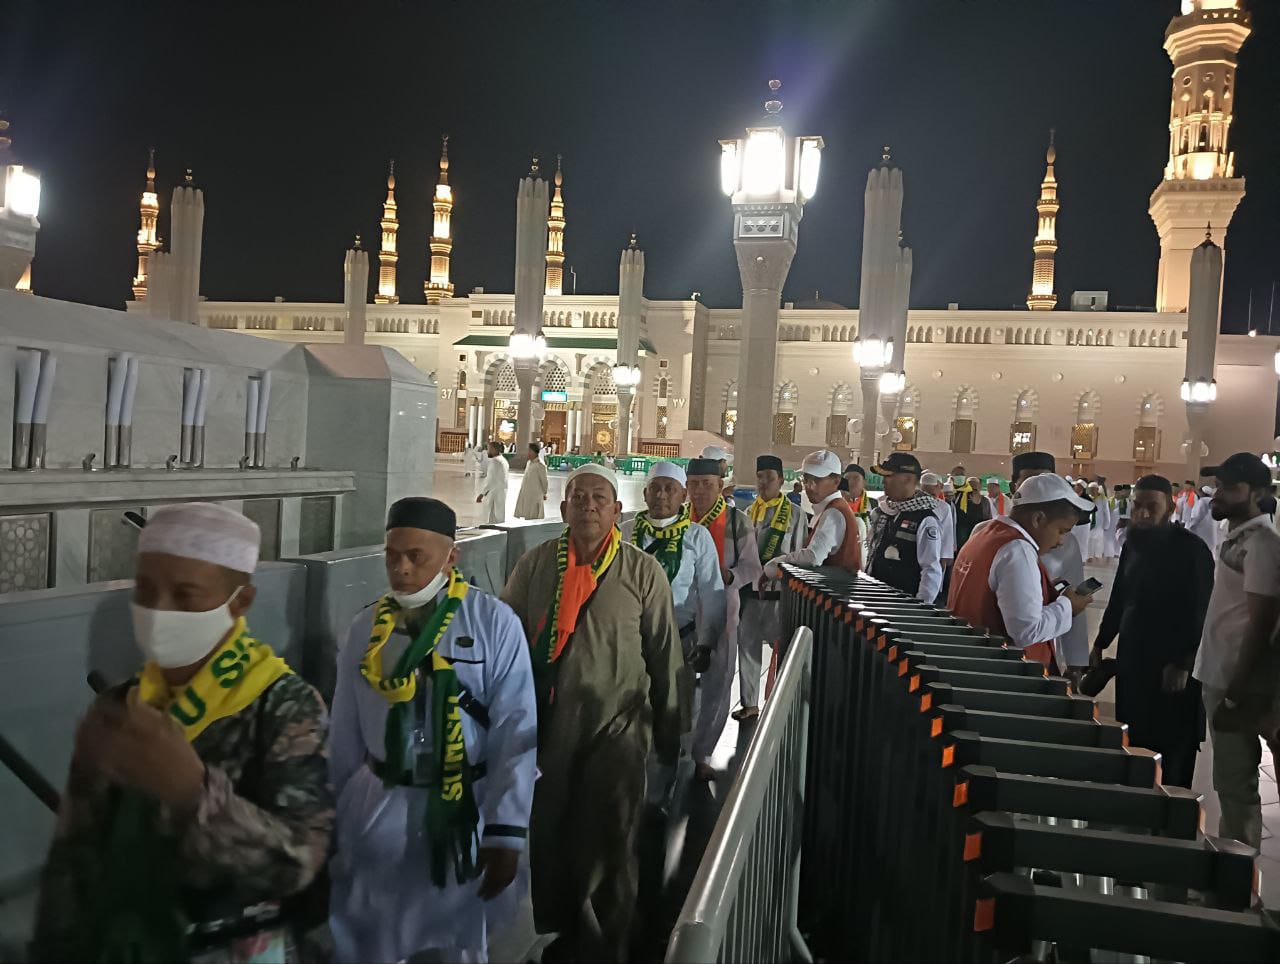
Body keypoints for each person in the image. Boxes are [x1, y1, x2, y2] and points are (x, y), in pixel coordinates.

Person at [34, 503, 332, 962]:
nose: (158, 610)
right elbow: (74, 859)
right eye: (146, 589)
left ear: (241, 601)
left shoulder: (282, 704)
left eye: (186, 594)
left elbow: (299, 863)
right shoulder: (121, 707)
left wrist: (193, 796)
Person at [329, 497, 537, 962]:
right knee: (373, 940)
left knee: (456, 943)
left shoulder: (493, 624)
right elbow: (343, 733)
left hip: (460, 808)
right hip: (381, 803)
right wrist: (332, 818)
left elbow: (515, 730)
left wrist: (506, 833)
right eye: (392, 555)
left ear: (451, 557)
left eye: (415, 556)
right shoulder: (366, 630)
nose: (400, 569)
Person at [501, 463, 685, 961]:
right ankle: (565, 930)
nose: (588, 505)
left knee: (610, 836)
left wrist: (671, 730)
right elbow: (506, 645)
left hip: (619, 726)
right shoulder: (536, 566)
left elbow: (665, 652)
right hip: (550, 729)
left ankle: (609, 943)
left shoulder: (641, 571)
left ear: (617, 511)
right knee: (553, 831)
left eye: (599, 498)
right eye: (578, 497)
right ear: (562, 509)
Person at [1089, 476, 1214, 788]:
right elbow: (1118, 600)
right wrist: (1101, 643)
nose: (1143, 514)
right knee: (1136, 736)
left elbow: (1203, 612)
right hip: (1135, 662)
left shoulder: (1192, 551)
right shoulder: (1133, 545)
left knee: (1174, 746)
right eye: (1138, 507)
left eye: (1151, 507)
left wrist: (1184, 663)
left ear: (1169, 509)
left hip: (1174, 670)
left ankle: (1171, 823)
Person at [1192, 453, 1280, 849]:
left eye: (1231, 488)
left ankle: (1237, 888)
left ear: (1259, 493)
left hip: (1236, 680)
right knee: (1229, 779)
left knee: (1235, 783)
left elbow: (1262, 623)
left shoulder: (1262, 544)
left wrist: (1236, 691)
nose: (1219, 494)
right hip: (1221, 672)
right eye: (1220, 486)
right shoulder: (1240, 538)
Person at [621, 461, 726, 775]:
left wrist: (706, 643)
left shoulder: (698, 537)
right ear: (645, 492)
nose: (661, 495)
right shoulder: (626, 532)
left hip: (678, 640)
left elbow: (712, 591)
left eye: (670, 489)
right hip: (631, 642)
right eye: (655, 487)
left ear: (683, 496)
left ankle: (661, 795)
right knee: (629, 713)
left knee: (671, 716)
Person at [948, 474, 1093, 667]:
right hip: (1002, 671)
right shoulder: (1017, 549)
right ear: (1038, 519)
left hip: (972, 658)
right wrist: (1068, 606)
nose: (1060, 542)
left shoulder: (983, 531)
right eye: (1061, 531)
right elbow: (1027, 631)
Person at [686, 457, 762, 780]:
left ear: (720, 485)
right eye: (694, 485)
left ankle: (701, 752)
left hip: (722, 609)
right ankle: (677, 744)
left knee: (718, 682)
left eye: (707, 484)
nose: (700, 491)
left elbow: (753, 567)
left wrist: (729, 576)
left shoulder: (736, 522)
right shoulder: (678, 520)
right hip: (683, 610)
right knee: (679, 680)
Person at [735, 455, 807, 722]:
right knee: (748, 648)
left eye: (770, 477)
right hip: (751, 593)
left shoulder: (796, 516)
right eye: (760, 476)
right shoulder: (745, 514)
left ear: (781, 480)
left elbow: (800, 555)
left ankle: (780, 705)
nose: (764, 482)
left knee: (783, 651)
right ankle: (749, 704)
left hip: (780, 594)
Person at [761, 450, 862, 580]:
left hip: (834, 595)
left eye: (817, 480)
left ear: (836, 481)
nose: (810, 486)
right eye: (806, 479)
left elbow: (813, 557)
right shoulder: (834, 509)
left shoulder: (833, 513)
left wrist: (775, 565)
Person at [864, 452, 943, 602]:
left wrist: (920, 609)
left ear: (908, 479)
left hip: (902, 606)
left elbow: (930, 569)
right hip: (873, 598)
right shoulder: (881, 512)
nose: (884, 481)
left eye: (889, 476)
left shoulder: (924, 519)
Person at [950, 473, 990, 549]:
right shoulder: (960, 496)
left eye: (975, 486)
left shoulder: (985, 500)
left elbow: (988, 517)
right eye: (970, 485)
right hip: (962, 529)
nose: (972, 488)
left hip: (978, 530)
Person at [842, 463, 874, 557]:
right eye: (847, 479)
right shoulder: (835, 505)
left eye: (856, 478)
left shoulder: (875, 506)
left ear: (864, 482)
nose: (851, 482)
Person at [514, 441, 550, 520]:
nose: (528, 453)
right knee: (527, 514)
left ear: (535, 452)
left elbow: (544, 481)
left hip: (535, 495)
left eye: (530, 451)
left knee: (533, 515)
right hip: (527, 493)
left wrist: (544, 493)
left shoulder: (540, 465)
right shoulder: (529, 463)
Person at [477, 440, 510, 524]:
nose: (488, 451)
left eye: (489, 449)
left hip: (494, 493)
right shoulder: (504, 460)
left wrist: (482, 494)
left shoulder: (495, 461)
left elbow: (490, 479)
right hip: (502, 491)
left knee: (493, 517)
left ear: (494, 449)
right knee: (499, 515)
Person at [1186, 483, 1224, 553]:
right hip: (1212, 533)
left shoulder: (1202, 502)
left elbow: (1196, 517)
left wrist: (1189, 527)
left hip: (1201, 533)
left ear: (1202, 493)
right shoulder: (1214, 502)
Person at [1087, 482, 1110, 561]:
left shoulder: (1103, 499)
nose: (1091, 491)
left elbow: (1106, 512)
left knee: (1099, 540)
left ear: (1097, 489)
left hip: (1100, 523)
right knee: (1089, 539)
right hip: (1089, 522)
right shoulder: (1088, 498)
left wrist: (1106, 524)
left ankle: (1097, 556)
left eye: (1093, 489)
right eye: (1090, 490)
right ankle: (1089, 556)